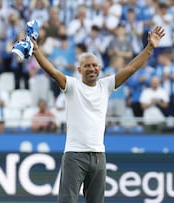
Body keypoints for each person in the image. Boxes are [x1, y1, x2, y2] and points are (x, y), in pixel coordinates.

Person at [30, 26, 165, 203]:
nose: (92, 68)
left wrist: (149, 48)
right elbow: (53, 72)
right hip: (75, 155)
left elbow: (131, 68)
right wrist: (37, 52)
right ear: (79, 70)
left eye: (95, 65)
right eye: (87, 66)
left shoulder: (105, 86)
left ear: (100, 68)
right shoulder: (72, 86)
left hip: (98, 156)